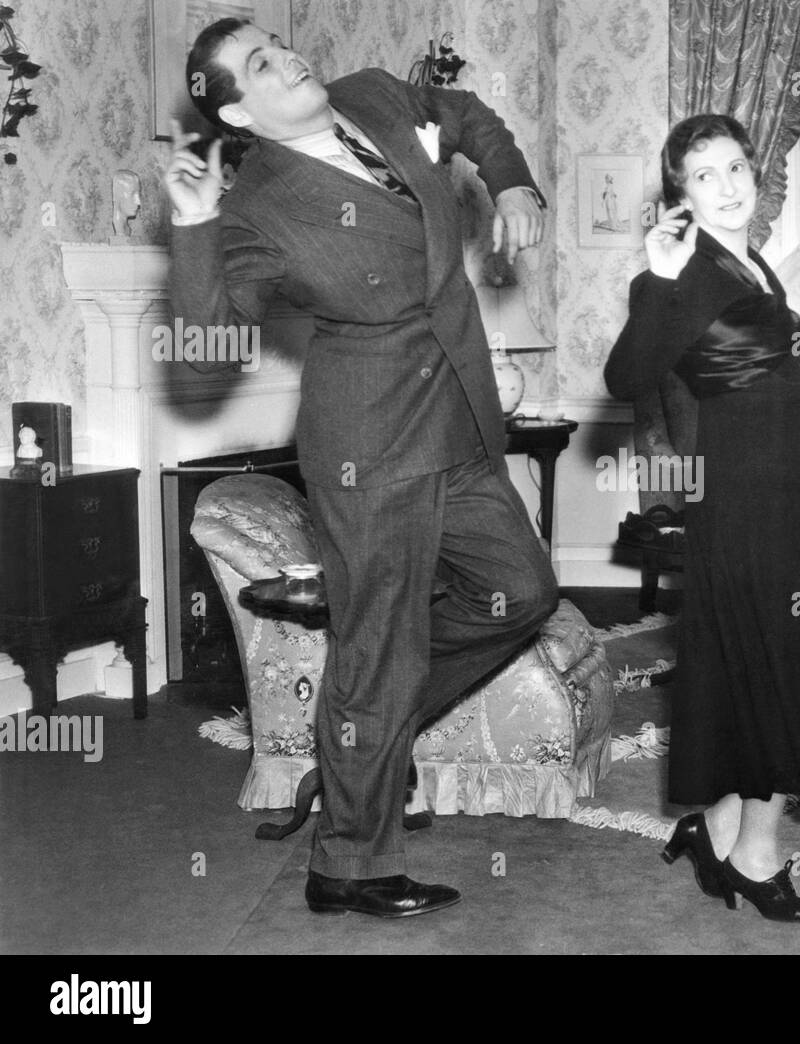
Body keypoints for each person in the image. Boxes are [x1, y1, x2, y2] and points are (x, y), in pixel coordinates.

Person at [165, 19, 558, 918]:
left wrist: (513, 183)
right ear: (237, 109)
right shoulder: (255, 206)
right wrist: (191, 227)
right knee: (379, 645)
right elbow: (206, 351)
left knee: (521, 591)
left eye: (278, 41)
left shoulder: (375, 93)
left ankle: (363, 747)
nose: (290, 56)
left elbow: (461, 111)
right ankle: (348, 863)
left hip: (458, 412)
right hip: (368, 444)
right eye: (262, 63)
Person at [604, 115, 800, 922]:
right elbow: (625, 377)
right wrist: (658, 283)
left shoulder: (754, 266)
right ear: (680, 192)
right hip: (743, 509)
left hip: (784, 502)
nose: (729, 184)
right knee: (787, 668)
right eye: (705, 174)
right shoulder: (684, 270)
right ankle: (753, 854)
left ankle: (715, 824)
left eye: (737, 166)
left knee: (762, 668)